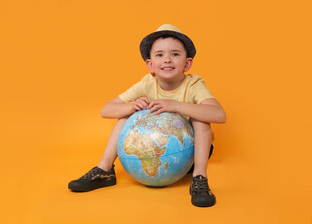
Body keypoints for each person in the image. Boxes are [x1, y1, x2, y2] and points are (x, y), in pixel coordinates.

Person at [68, 24, 226, 207]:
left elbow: (219, 114)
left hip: (192, 152)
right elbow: (106, 110)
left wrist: (175, 106)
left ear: (187, 63)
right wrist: (132, 105)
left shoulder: (194, 85)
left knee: (201, 117)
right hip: (157, 149)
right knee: (126, 113)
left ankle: (199, 177)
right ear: (150, 65)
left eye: (175, 54)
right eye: (159, 55)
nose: (167, 60)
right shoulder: (147, 83)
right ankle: (104, 170)